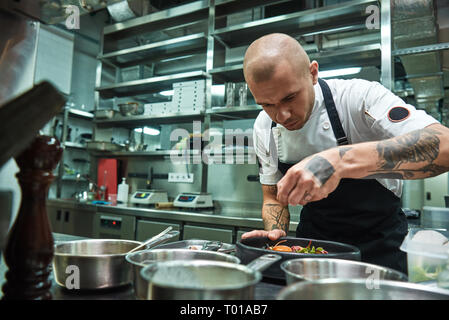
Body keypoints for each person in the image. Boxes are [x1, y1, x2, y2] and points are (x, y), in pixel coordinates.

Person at [241, 33, 449, 273]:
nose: (282, 115)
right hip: (315, 249)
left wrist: (337, 161)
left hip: (379, 248)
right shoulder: (264, 126)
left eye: (290, 97)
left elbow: (443, 145)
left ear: (312, 73)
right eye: (267, 104)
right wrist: (274, 234)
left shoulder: (357, 98)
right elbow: (273, 198)